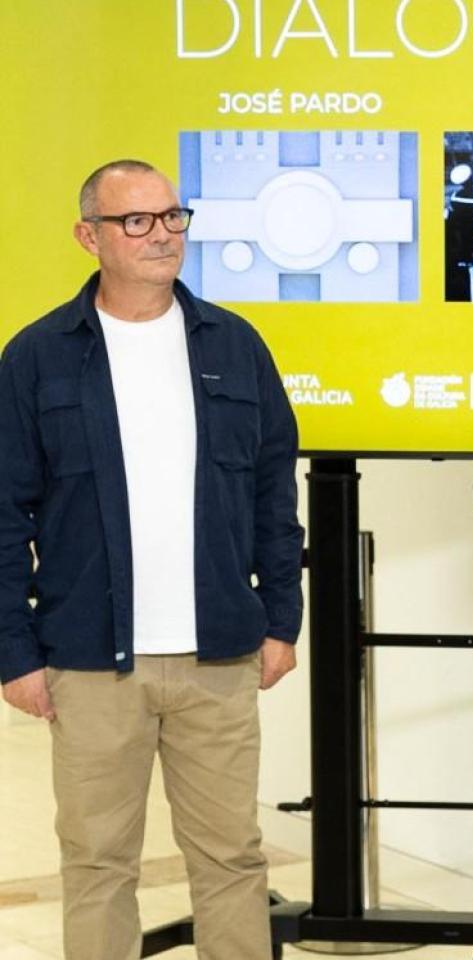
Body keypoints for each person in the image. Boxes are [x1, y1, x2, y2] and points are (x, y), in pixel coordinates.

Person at [0, 159, 303, 960]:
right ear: (88, 237)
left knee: (233, 860)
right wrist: (14, 653)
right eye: (136, 221)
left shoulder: (236, 345)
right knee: (98, 865)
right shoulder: (38, 357)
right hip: (92, 661)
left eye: (172, 216)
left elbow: (276, 492)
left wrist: (282, 618)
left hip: (220, 657)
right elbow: (2, 515)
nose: (161, 234)